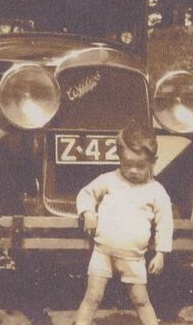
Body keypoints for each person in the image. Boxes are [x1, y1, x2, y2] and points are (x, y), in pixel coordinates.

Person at [73, 125, 173, 325]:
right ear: (119, 158)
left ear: (153, 162)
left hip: (134, 257)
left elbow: (165, 221)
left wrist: (161, 253)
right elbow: (86, 193)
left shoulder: (156, 190)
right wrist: (88, 212)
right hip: (103, 252)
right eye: (127, 164)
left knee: (141, 300)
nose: (133, 171)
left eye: (141, 166)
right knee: (92, 297)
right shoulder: (109, 180)